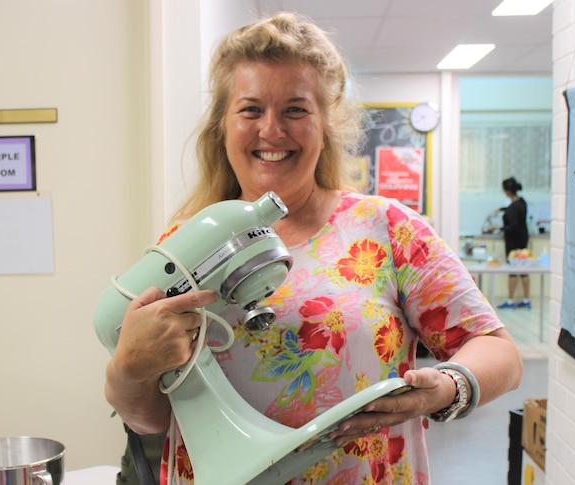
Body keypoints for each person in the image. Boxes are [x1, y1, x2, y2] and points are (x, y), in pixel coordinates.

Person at [105, 13, 523, 485]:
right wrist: (126, 369)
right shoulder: (182, 247)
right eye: (250, 110)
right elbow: (151, 420)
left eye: (295, 110)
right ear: (223, 126)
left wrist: (448, 387)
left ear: (325, 125)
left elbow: (497, 351)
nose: (271, 129)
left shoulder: (386, 230)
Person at [487, 177, 531, 309]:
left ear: (507, 191)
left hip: (513, 241)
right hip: (523, 239)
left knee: (512, 269)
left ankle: (510, 300)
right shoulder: (522, 203)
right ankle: (526, 299)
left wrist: (496, 228)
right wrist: (501, 209)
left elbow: (512, 226)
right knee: (524, 269)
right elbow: (513, 210)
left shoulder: (512, 208)